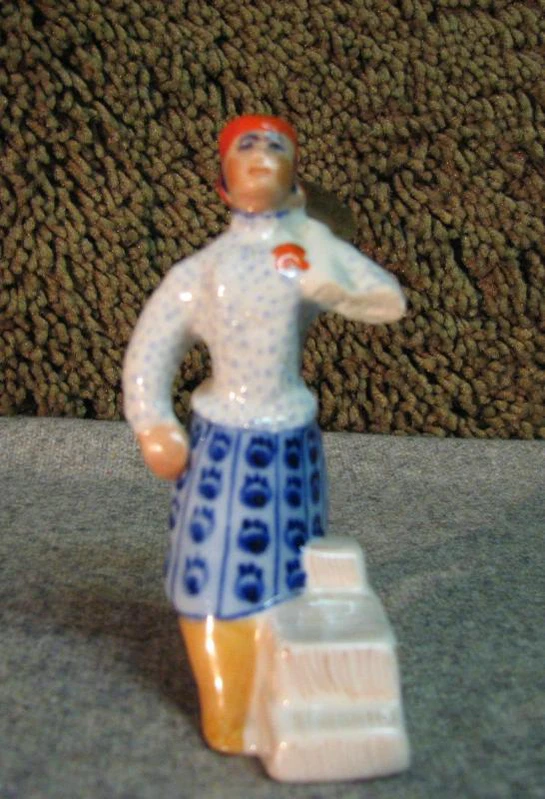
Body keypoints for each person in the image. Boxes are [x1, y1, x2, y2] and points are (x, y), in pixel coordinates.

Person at [123, 114, 406, 754]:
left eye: (275, 145)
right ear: (222, 182)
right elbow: (151, 349)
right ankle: (228, 705)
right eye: (245, 145)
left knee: (295, 574)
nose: (260, 153)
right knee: (211, 571)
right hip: (224, 444)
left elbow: (386, 301)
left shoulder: (304, 252)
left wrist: (317, 255)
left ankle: (288, 685)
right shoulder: (203, 271)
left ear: (294, 177)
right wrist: (153, 423)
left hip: (290, 443)